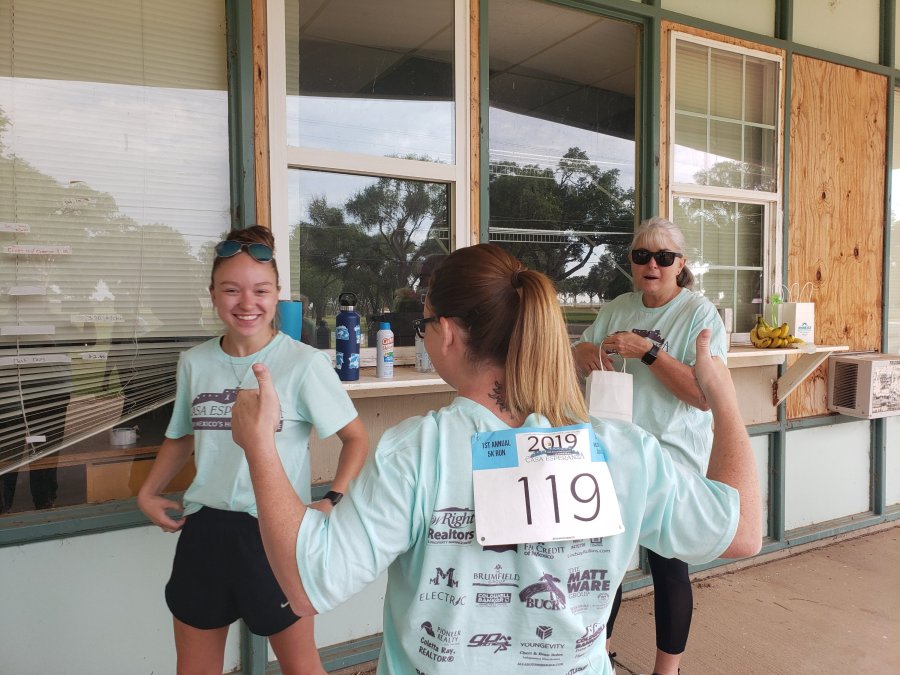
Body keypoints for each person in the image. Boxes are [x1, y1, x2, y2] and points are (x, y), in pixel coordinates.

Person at [231, 243, 760, 675]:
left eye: (424, 324)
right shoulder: (624, 451)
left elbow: (308, 583)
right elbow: (741, 534)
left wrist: (259, 446)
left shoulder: (419, 452)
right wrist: (723, 398)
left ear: (446, 333)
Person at [137, 225, 368, 675]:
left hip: (276, 534)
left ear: (277, 294)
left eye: (260, 290)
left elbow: (356, 438)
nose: (247, 303)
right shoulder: (194, 362)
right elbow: (181, 435)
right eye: (231, 290)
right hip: (204, 532)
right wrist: (148, 492)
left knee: (301, 668)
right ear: (213, 295)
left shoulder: (303, 363)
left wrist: (331, 499)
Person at [572, 216, 729, 675]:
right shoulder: (617, 307)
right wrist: (588, 353)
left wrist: (649, 352)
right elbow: (580, 353)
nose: (652, 265)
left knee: (668, 566)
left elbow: (703, 395)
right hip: (613, 455)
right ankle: (596, 658)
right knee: (605, 563)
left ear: (681, 264)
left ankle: (667, 670)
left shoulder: (699, 315)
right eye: (642, 256)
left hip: (671, 456)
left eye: (664, 257)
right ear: (631, 262)